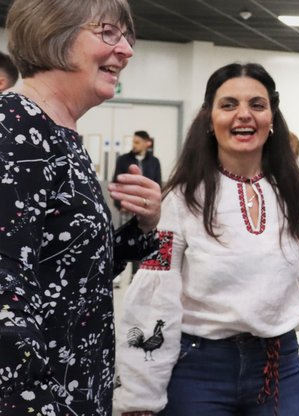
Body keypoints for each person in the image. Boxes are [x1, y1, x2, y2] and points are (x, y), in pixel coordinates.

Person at [113, 63, 299, 415]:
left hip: (278, 366)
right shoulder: (180, 199)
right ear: (210, 119)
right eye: (228, 105)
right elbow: (154, 300)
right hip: (197, 369)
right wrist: (139, 398)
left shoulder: (297, 194)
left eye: (257, 105)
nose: (244, 115)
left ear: (272, 117)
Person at [0, 0, 162, 413]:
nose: (126, 50)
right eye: (109, 33)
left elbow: (69, 274)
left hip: (76, 388)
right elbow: (6, 297)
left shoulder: (57, 133)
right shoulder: (14, 131)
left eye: (127, 36)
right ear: (53, 33)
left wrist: (140, 230)